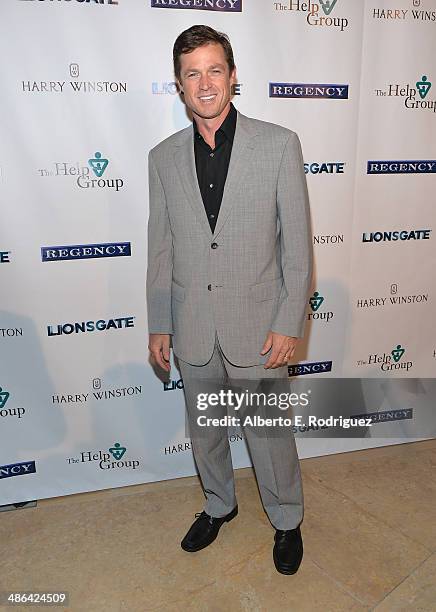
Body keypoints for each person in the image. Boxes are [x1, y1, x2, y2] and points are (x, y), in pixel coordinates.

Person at [147, 24, 313, 575]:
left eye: (214, 70)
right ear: (179, 85)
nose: (205, 83)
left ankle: (287, 520)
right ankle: (219, 505)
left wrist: (289, 321)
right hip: (193, 325)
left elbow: (297, 245)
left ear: (233, 76)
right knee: (206, 433)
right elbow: (161, 247)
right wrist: (159, 323)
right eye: (191, 73)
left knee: (269, 437)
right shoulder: (163, 157)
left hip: (258, 327)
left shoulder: (279, 143)